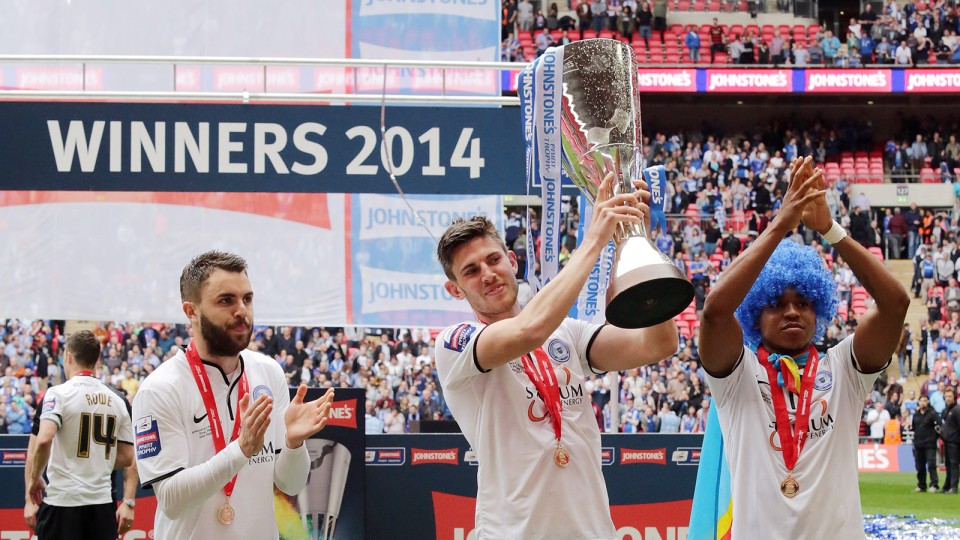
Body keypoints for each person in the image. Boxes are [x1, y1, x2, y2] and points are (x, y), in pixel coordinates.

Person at [434, 173, 678, 538]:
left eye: (493, 259)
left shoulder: (567, 333)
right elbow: (528, 330)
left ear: (512, 261)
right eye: (471, 271)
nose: (487, 274)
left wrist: (637, 245)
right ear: (454, 290)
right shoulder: (456, 343)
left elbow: (658, 343)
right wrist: (594, 241)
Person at [700, 156, 909, 537]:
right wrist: (781, 224)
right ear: (754, 315)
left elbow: (896, 303)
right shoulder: (737, 373)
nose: (793, 312)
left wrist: (829, 230)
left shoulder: (845, 368)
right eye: (777, 304)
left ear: (820, 308)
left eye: (804, 302)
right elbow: (714, 311)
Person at [132, 251, 336, 539]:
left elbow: (291, 484)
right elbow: (171, 500)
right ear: (191, 311)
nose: (242, 310)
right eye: (226, 300)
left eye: (247, 299)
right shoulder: (161, 388)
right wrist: (240, 450)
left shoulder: (268, 372)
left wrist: (293, 443)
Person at [25, 330, 135, 540]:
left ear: (68, 356)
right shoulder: (117, 399)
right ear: (96, 360)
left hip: (62, 502)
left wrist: (36, 477)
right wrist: (94, 458)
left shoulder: (58, 394)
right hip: (101, 505)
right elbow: (128, 457)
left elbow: (44, 439)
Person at [912, 395, 942, 492]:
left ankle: (934, 484)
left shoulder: (933, 414)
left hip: (930, 444)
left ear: (928, 402)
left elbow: (939, 427)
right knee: (920, 466)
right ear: (918, 402)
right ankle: (921, 485)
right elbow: (914, 428)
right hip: (918, 444)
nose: (923, 402)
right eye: (921, 400)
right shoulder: (916, 415)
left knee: (931, 465)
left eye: (925, 400)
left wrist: (934, 438)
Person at [943, 387, 960, 494]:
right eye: (946, 396)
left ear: (954, 397)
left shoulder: (957, 410)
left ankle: (954, 487)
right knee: (948, 465)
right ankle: (947, 485)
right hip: (947, 441)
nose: (948, 398)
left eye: (950, 396)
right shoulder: (947, 410)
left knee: (954, 464)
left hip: (955, 442)